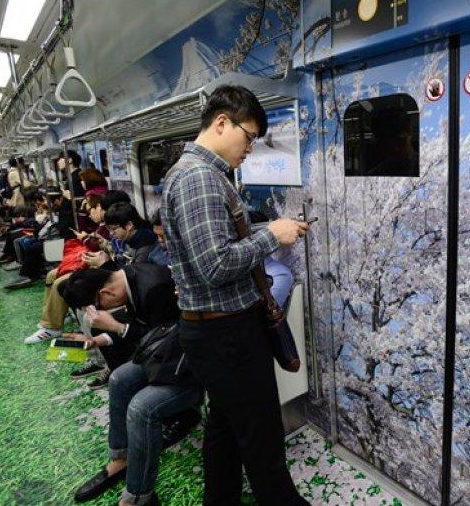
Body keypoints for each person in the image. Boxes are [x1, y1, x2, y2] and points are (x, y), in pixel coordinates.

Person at [161, 84, 309, 505]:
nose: (250, 149)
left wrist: (267, 229)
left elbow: (217, 243)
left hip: (216, 332)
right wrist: (272, 238)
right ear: (222, 123)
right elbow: (215, 266)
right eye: (248, 137)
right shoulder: (199, 179)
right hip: (227, 334)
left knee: (225, 427)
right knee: (261, 434)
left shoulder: (196, 174)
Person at [63, 267, 201, 505]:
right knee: (119, 379)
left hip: (188, 363)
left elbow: (164, 341)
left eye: (100, 306)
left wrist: (116, 327)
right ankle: (121, 458)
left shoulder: (156, 288)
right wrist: (100, 337)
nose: (103, 312)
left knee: (141, 408)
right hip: (166, 356)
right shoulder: (129, 278)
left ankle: (138, 497)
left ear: (106, 293)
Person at [23, 190, 130, 346]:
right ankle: (51, 316)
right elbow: (110, 248)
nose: (93, 211)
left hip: (109, 270)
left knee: (64, 281)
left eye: (96, 207)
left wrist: (94, 246)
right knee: (52, 274)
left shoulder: (118, 228)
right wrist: (98, 242)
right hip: (104, 264)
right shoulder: (111, 227)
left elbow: (118, 259)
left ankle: (52, 326)